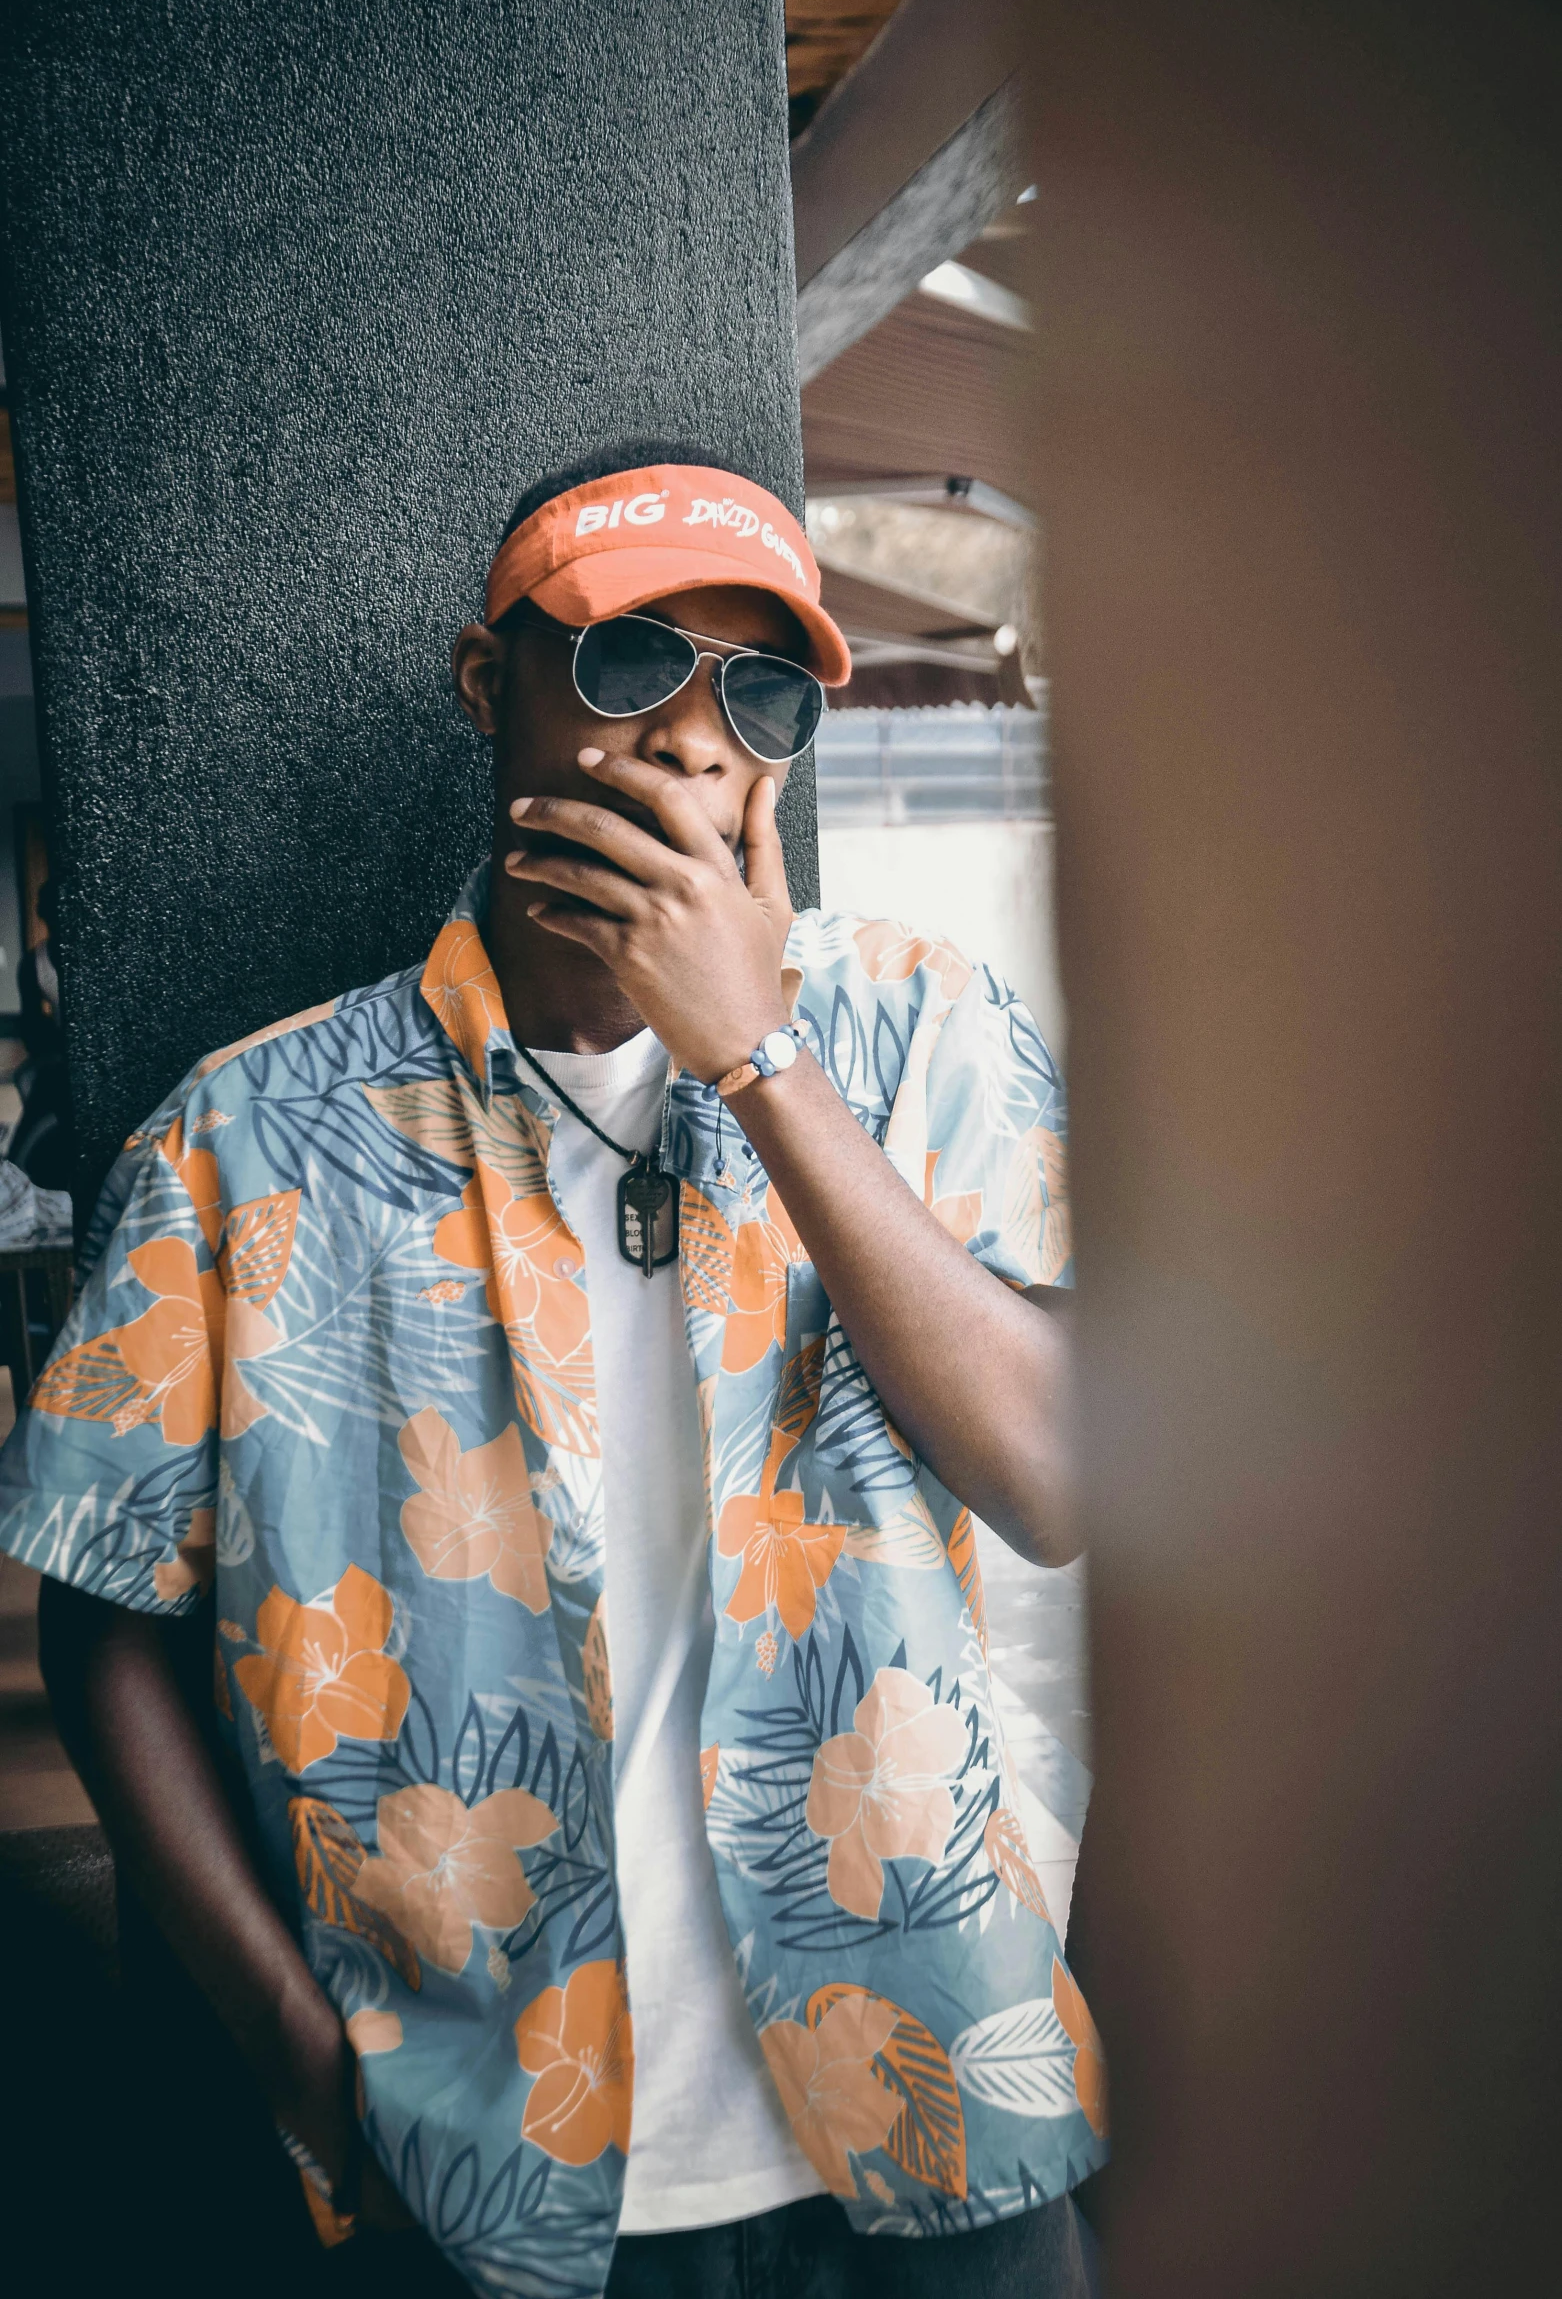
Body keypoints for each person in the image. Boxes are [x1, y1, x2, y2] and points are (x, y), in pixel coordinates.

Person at [0, 446, 1106, 2299]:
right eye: (625, 659)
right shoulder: (247, 1138)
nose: (690, 733)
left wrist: (755, 1054)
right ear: (482, 679)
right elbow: (107, 1620)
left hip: (936, 2113)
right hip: (481, 2169)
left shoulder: (919, 1034)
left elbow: (1056, 1482)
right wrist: (286, 2034)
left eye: (756, 689)